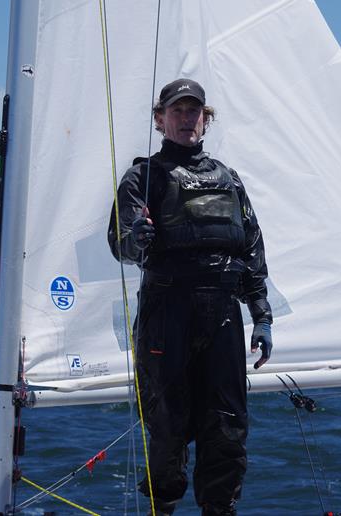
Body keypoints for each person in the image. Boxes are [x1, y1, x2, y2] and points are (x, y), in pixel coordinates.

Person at [108, 78, 273, 516]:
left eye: (193, 111)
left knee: (228, 425)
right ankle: (163, 509)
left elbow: (252, 248)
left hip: (222, 313)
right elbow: (120, 245)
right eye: (176, 111)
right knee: (167, 424)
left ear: (206, 118)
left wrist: (262, 315)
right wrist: (136, 237)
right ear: (160, 119)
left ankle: (219, 511)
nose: (186, 119)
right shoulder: (142, 177)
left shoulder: (229, 179)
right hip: (168, 312)